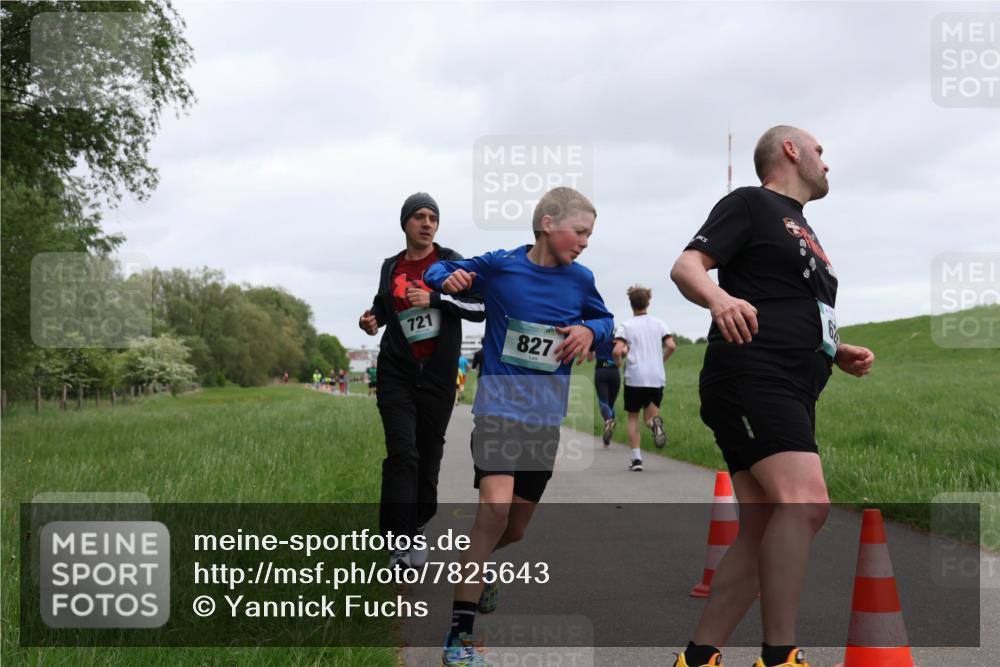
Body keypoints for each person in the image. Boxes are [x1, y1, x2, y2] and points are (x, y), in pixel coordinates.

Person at [668, 126, 875, 667]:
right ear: (790, 150)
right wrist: (718, 299)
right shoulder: (751, 203)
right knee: (806, 504)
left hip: (792, 383)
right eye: (819, 151)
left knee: (763, 526)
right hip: (753, 374)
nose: (826, 162)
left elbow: (788, 301)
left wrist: (833, 349)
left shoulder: (803, 227)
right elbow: (686, 266)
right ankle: (780, 655)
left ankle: (697, 658)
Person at [424, 186, 614, 667]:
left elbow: (606, 322)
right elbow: (437, 270)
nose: (585, 242)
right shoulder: (501, 266)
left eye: (589, 235)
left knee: (515, 527)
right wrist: (449, 277)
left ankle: (478, 559)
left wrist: (590, 330)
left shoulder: (581, 280)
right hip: (498, 409)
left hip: (544, 418)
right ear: (548, 223)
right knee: (494, 510)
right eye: (580, 232)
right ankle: (459, 639)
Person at [358, 192, 485, 570]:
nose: (427, 223)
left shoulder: (451, 263)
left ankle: (416, 524)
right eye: (419, 216)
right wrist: (371, 320)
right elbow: (384, 306)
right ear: (406, 223)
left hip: (437, 375)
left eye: (433, 217)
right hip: (396, 371)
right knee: (402, 454)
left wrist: (435, 299)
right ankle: (397, 543)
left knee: (428, 456)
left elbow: (479, 308)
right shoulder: (391, 266)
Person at [612, 285, 675, 471]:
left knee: (633, 418)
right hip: (656, 377)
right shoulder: (659, 323)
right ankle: (655, 425)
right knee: (650, 418)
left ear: (631, 303)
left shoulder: (626, 326)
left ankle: (637, 460)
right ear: (648, 302)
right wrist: (660, 361)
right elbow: (671, 345)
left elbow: (617, 350)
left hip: (635, 377)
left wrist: (618, 363)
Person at [588, 336, 621, 447]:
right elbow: (623, 351)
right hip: (614, 373)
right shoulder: (617, 338)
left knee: (603, 402)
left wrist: (595, 351)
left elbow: (589, 358)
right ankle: (607, 438)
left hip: (601, 372)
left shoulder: (596, 338)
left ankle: (608, 421)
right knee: (611, 405)